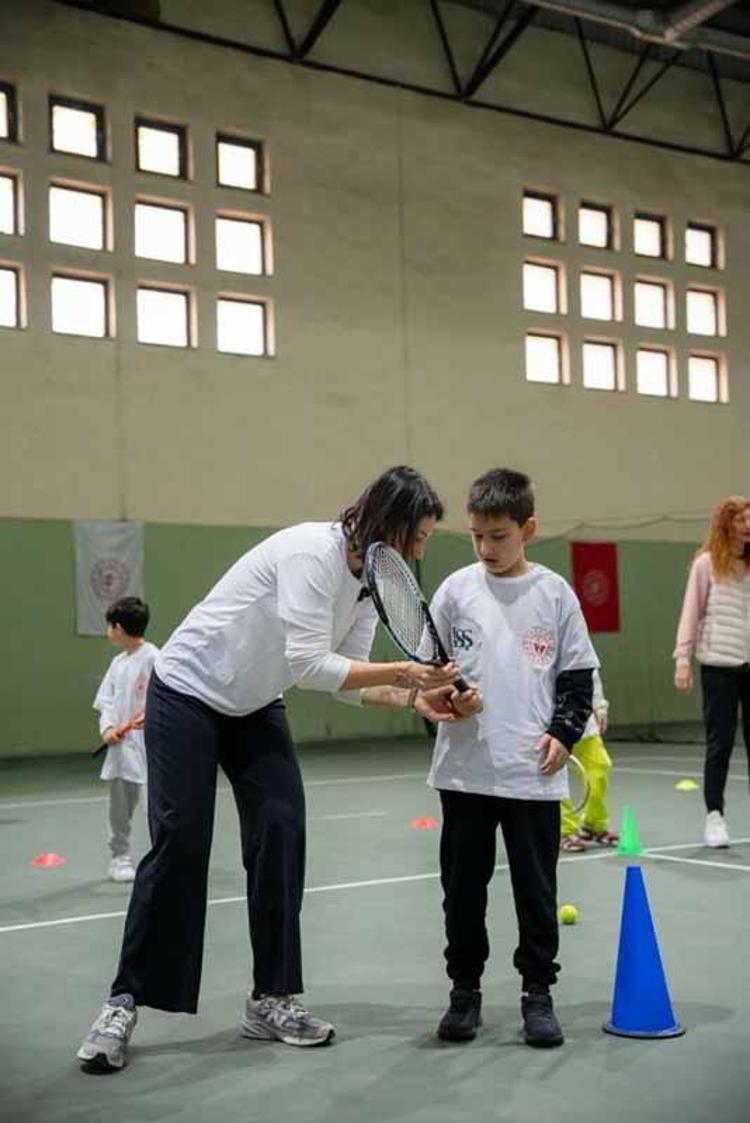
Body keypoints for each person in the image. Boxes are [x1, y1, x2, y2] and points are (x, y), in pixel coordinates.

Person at [77, 466, 475, 1074]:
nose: (419, 552)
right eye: (416, 537)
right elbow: (311, 665)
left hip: (253, 704)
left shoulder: (367, 586)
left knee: (282, 828)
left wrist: (411, 698)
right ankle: (123, 1003)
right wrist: (407, 673)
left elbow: (347, 679)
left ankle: (271, 998)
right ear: (389, 524)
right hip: (185, 692)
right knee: (181, 841)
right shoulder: (311, 555)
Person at [423, 468, 597, 1048]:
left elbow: (577, 678)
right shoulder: (454, 592)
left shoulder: (555, 594)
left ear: (528, 529)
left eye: (498, 536)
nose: (485, 547)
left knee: (536, 893)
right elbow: (428, 679)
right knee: (461, 893)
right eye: (476, 535)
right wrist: (447, 702)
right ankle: (464, 992)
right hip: (464, 774)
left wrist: (563, 735)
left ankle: (537, 995)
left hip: (533, 777)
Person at [673, 495, 750, 848]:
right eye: (741, 520)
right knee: (720, 744)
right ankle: (714, 816)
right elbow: (691, 612)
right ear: (726, 524)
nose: (748, 526)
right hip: (719, 666)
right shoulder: (706, 564)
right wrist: (682, 659)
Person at [93, 597, 159, 883]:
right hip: (120, 749)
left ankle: (163, 858)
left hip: (150, 748)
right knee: (119, 807)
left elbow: (164, 696)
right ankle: (119, 858)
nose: (108, 631)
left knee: (156, 807)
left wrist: (152, 715)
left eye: (109, 626)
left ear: (118, 628)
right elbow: (106, 701)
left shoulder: (154, 658)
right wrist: (107, 728)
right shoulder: (117, 663)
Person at [559, 667, 618, 852]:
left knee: (600, 769)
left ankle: (594, 824)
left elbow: (590, 673)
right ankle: (565, 830)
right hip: (553, 725)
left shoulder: (580, 648)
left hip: (584, 723)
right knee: (556, 778)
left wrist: (599, 705)